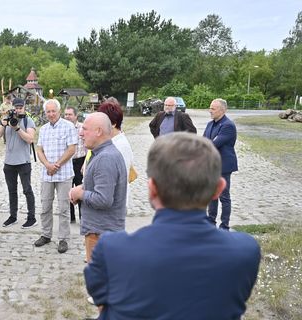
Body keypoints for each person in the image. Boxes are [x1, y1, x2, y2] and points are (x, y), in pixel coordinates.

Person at [84, 132, 261, 320]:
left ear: (152, 189)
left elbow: (101, 301)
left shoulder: (112, 249)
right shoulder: (245, 251)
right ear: (219, 189)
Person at [69, 112, 127, 263]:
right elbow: (100, 185)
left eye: (85, 129)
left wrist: (80, 194)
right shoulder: (102, 154)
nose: (81, 133)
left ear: (99, 131)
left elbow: (103, 199)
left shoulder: (105, 158)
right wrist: (81, 188)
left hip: (101, 234)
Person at [34, 99, 77, 253]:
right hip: (47, 174)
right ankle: (46, 234)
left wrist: (56, 165)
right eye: (48, 112)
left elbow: (72, 149)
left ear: (59, 111)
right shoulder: (44, 129)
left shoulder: (69, 126)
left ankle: (63, 239)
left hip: (63, 174)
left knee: (64, 208)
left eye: (53, 111)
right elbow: (39, 149)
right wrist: (47, 165)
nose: (51, 114)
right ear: (45, 113)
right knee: (45, 205)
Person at [0, 97, 37, 229]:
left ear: (24, 107)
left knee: (27, 190)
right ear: (13, 108)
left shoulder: (28, 121)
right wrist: (3, 124)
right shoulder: (8, 120)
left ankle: (31, 217)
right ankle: (13, 216)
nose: (18, 110)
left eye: (20, 107)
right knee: (12, 191)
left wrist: (17, 128)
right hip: (9, 162)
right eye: (16, 108)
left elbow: (30, 139)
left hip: (23, 161)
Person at [203, 98, 238, 230]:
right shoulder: (210, 124)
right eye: (210, 108)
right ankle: (211, 222)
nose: (209, 111)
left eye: (213, 108)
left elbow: (213, 144)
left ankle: (224, 226)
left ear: (222, 110)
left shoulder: (228, 125)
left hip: (223, 166)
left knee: (224, 197)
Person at [97, 100, 134, 206]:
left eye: (101, 121)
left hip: (113, 205)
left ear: (113, 124)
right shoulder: (110, 141)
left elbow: (116, 179)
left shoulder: (121, 146)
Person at [64, 106, 87, 223]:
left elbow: (88, 146)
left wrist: (86, 163)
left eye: (70, 114)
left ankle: (83, 217)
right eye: (66, 114)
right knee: (68, 190)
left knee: (81, 190)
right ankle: (70, 217)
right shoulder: (62, 128)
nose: (67, 117)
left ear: (75, 116)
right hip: (67, 163)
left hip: (80, 162)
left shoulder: (83, 128)